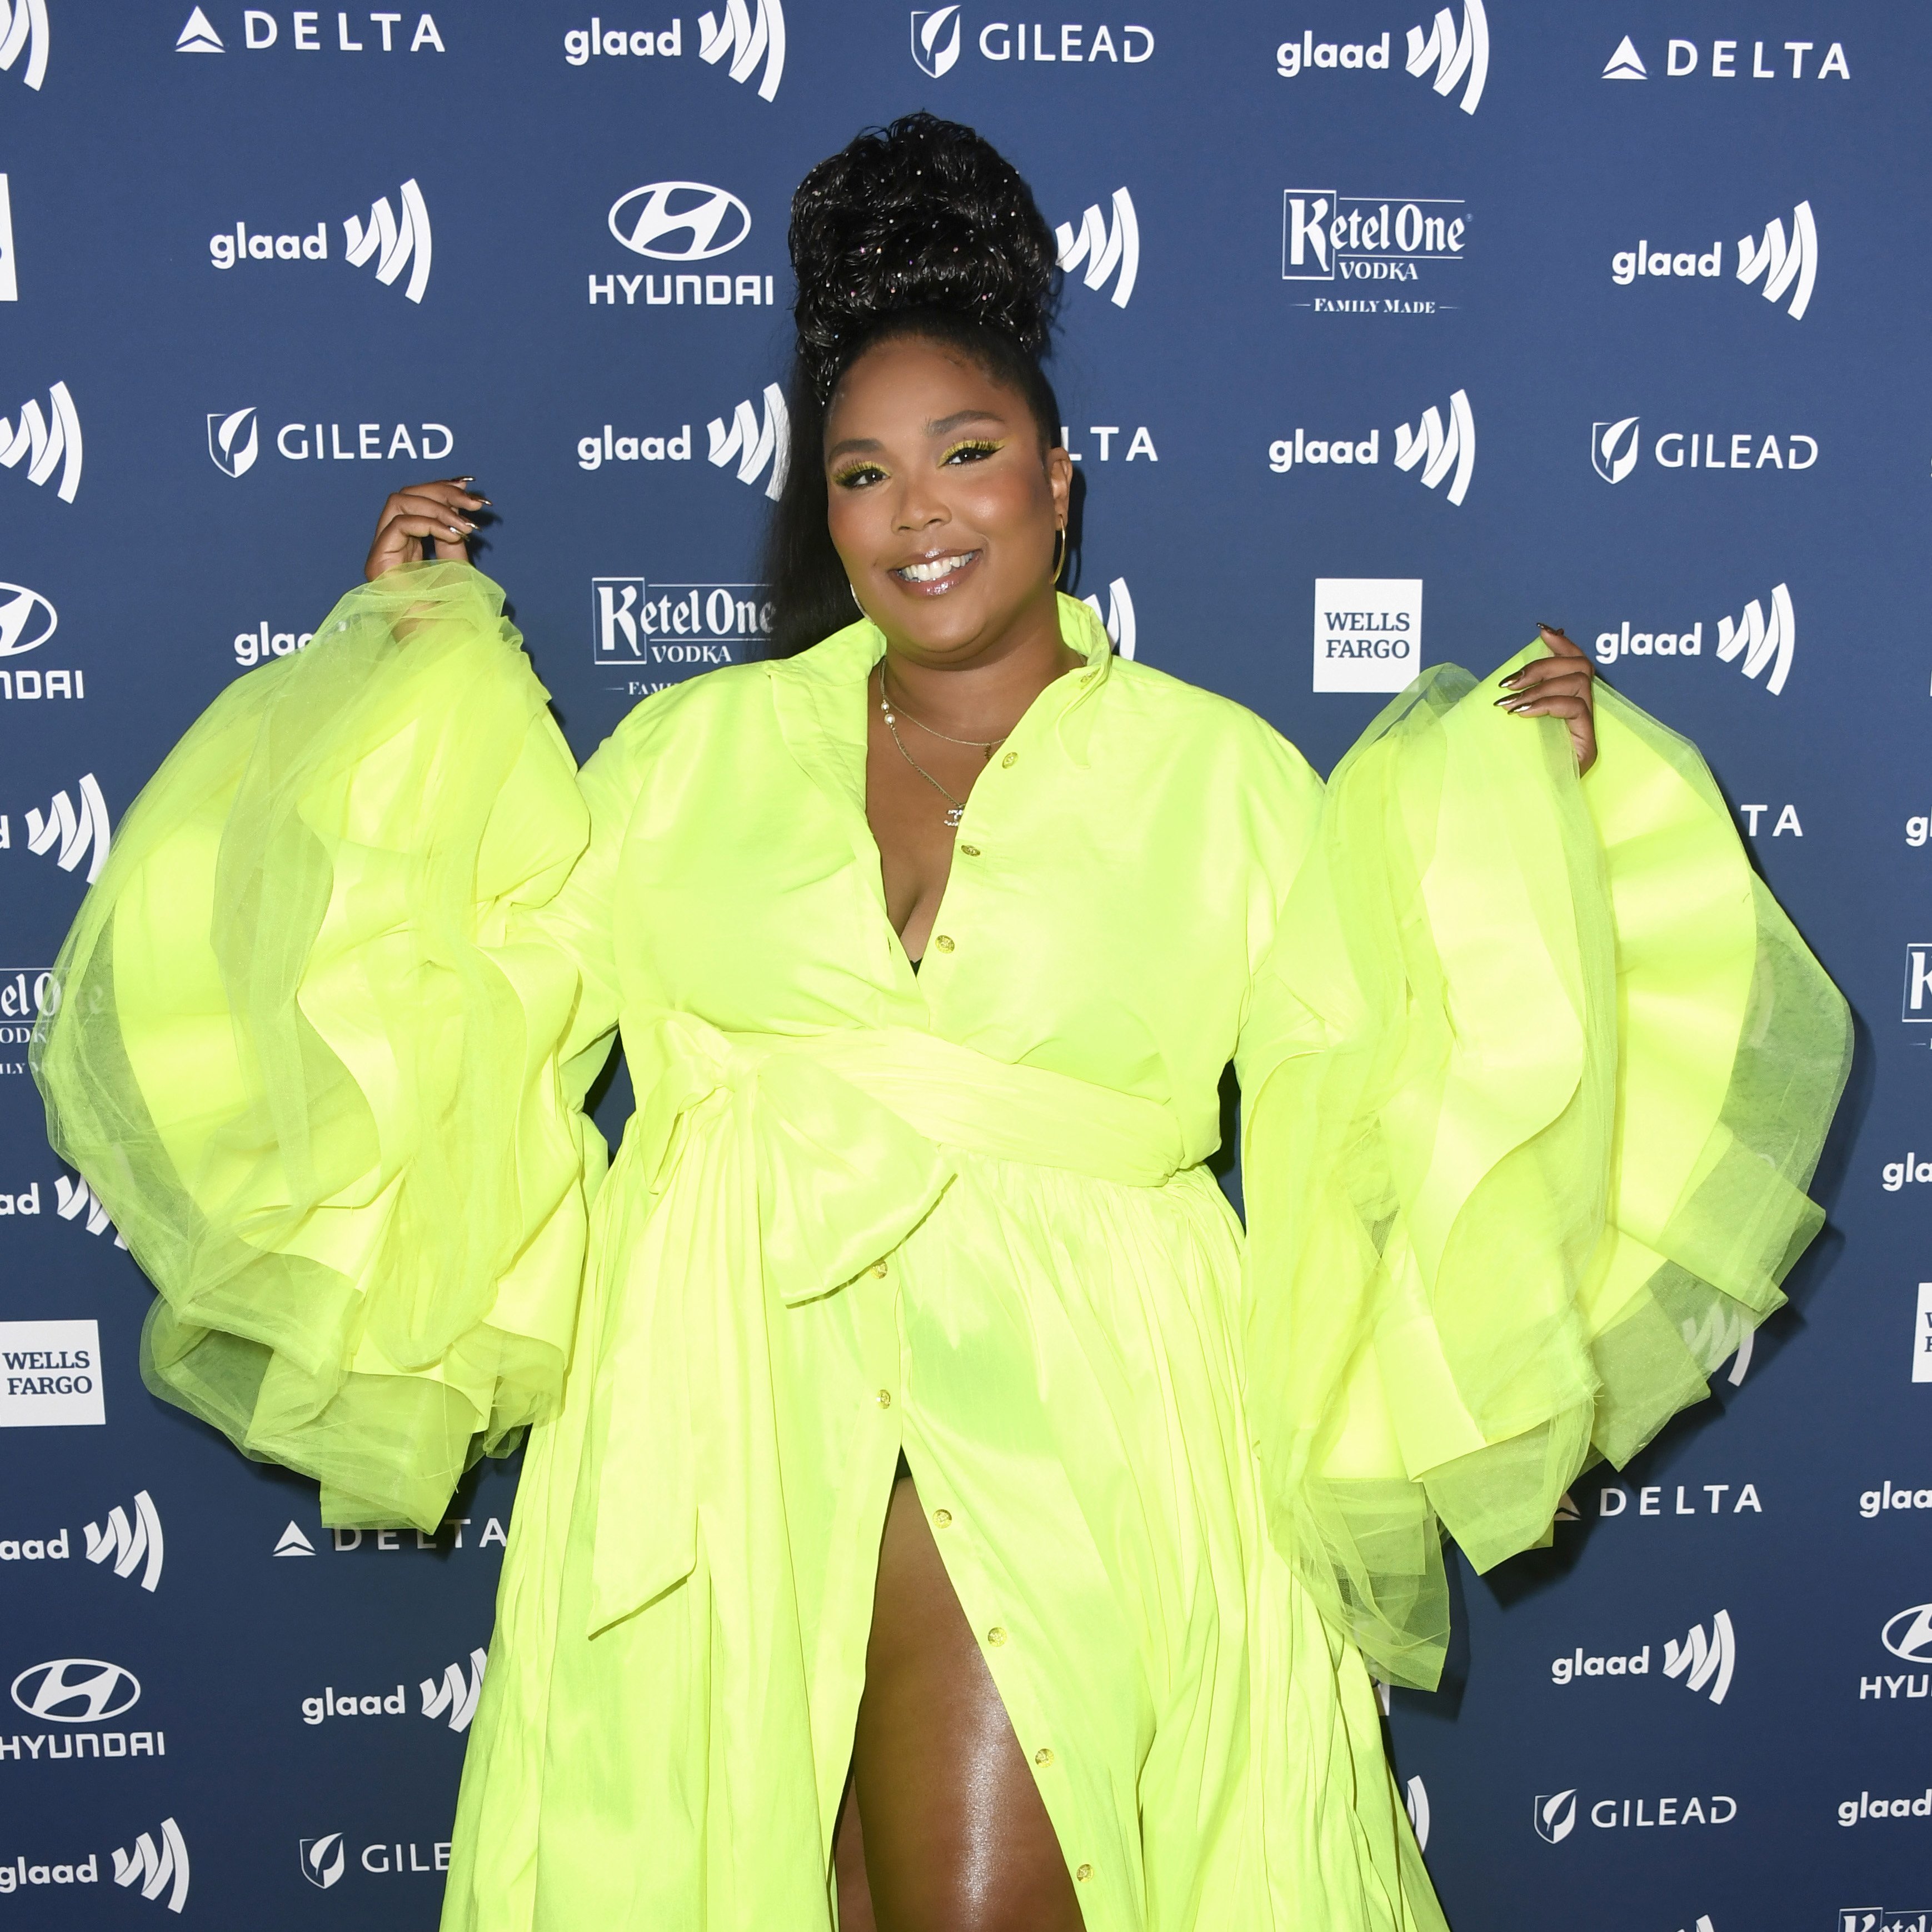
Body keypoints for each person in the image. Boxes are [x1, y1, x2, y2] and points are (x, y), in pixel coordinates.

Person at [33, 115, 1849, 1932]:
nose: (918, 511)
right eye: (863, 472)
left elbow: (1390, 1057)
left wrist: (1543, 820)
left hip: (1080, 1409)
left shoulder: (1218, 779)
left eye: (967, 454)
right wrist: (404, 694)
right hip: (714, 1404)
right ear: (820, 507)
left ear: (1060, 479)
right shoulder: (691, 757)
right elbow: (467, 995)